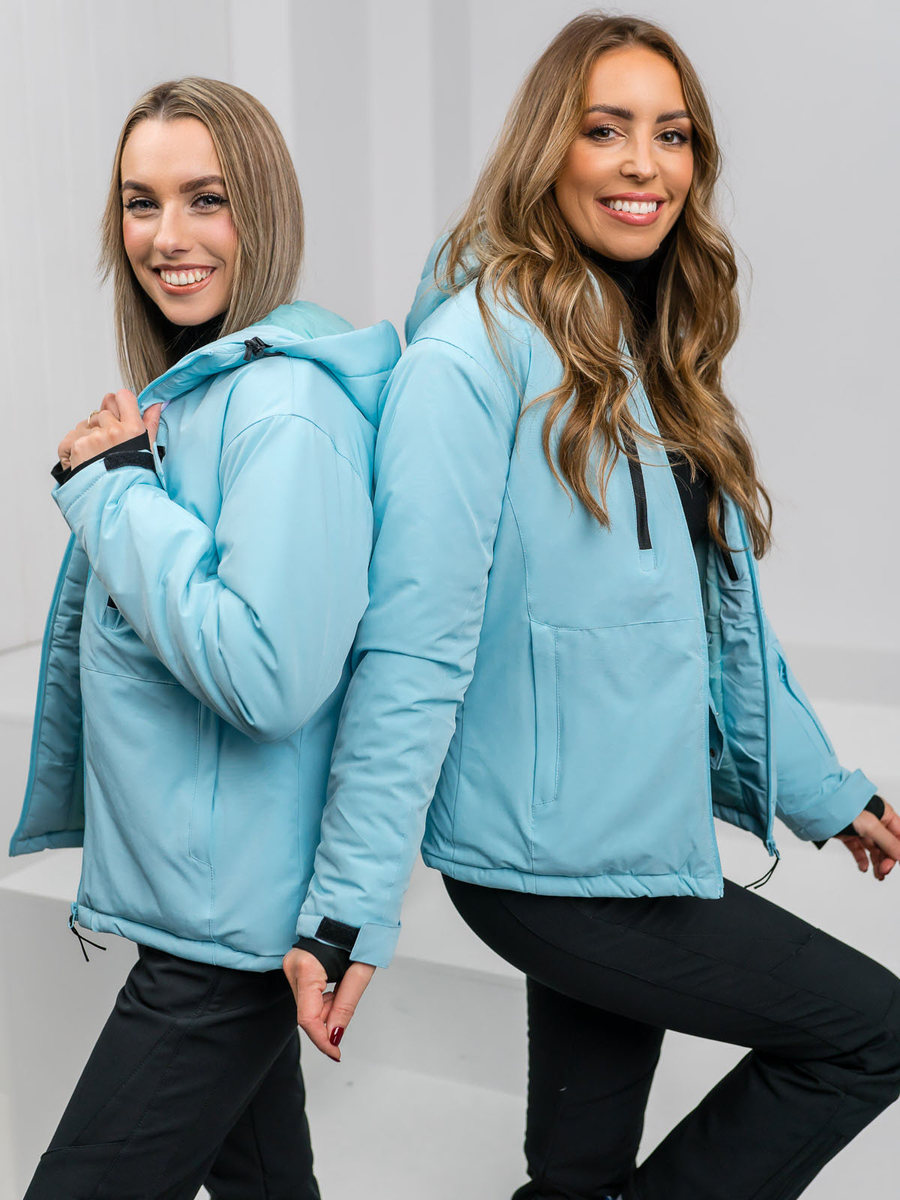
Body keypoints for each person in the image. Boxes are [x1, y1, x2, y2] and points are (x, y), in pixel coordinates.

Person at [283, 14, 900, 1200]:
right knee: (871, 1033)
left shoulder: (640, 347)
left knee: (575, 1178)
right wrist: (348, 909)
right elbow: (412, 649)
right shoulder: (470, 358)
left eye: (673, 134)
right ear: (546, 149)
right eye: (605, 129)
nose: (643, 164)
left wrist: (828, 791)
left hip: (630, 836)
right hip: (549, 866)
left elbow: (712, 632)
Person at [10, 76, 399, 1199]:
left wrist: (112, 490)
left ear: (262, 211)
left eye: (206, 199)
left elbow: (267, 675)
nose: (167, 237)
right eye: (141, 203)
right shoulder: (201, 393)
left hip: (223, 929)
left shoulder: (285, 408)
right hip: (215, 907)